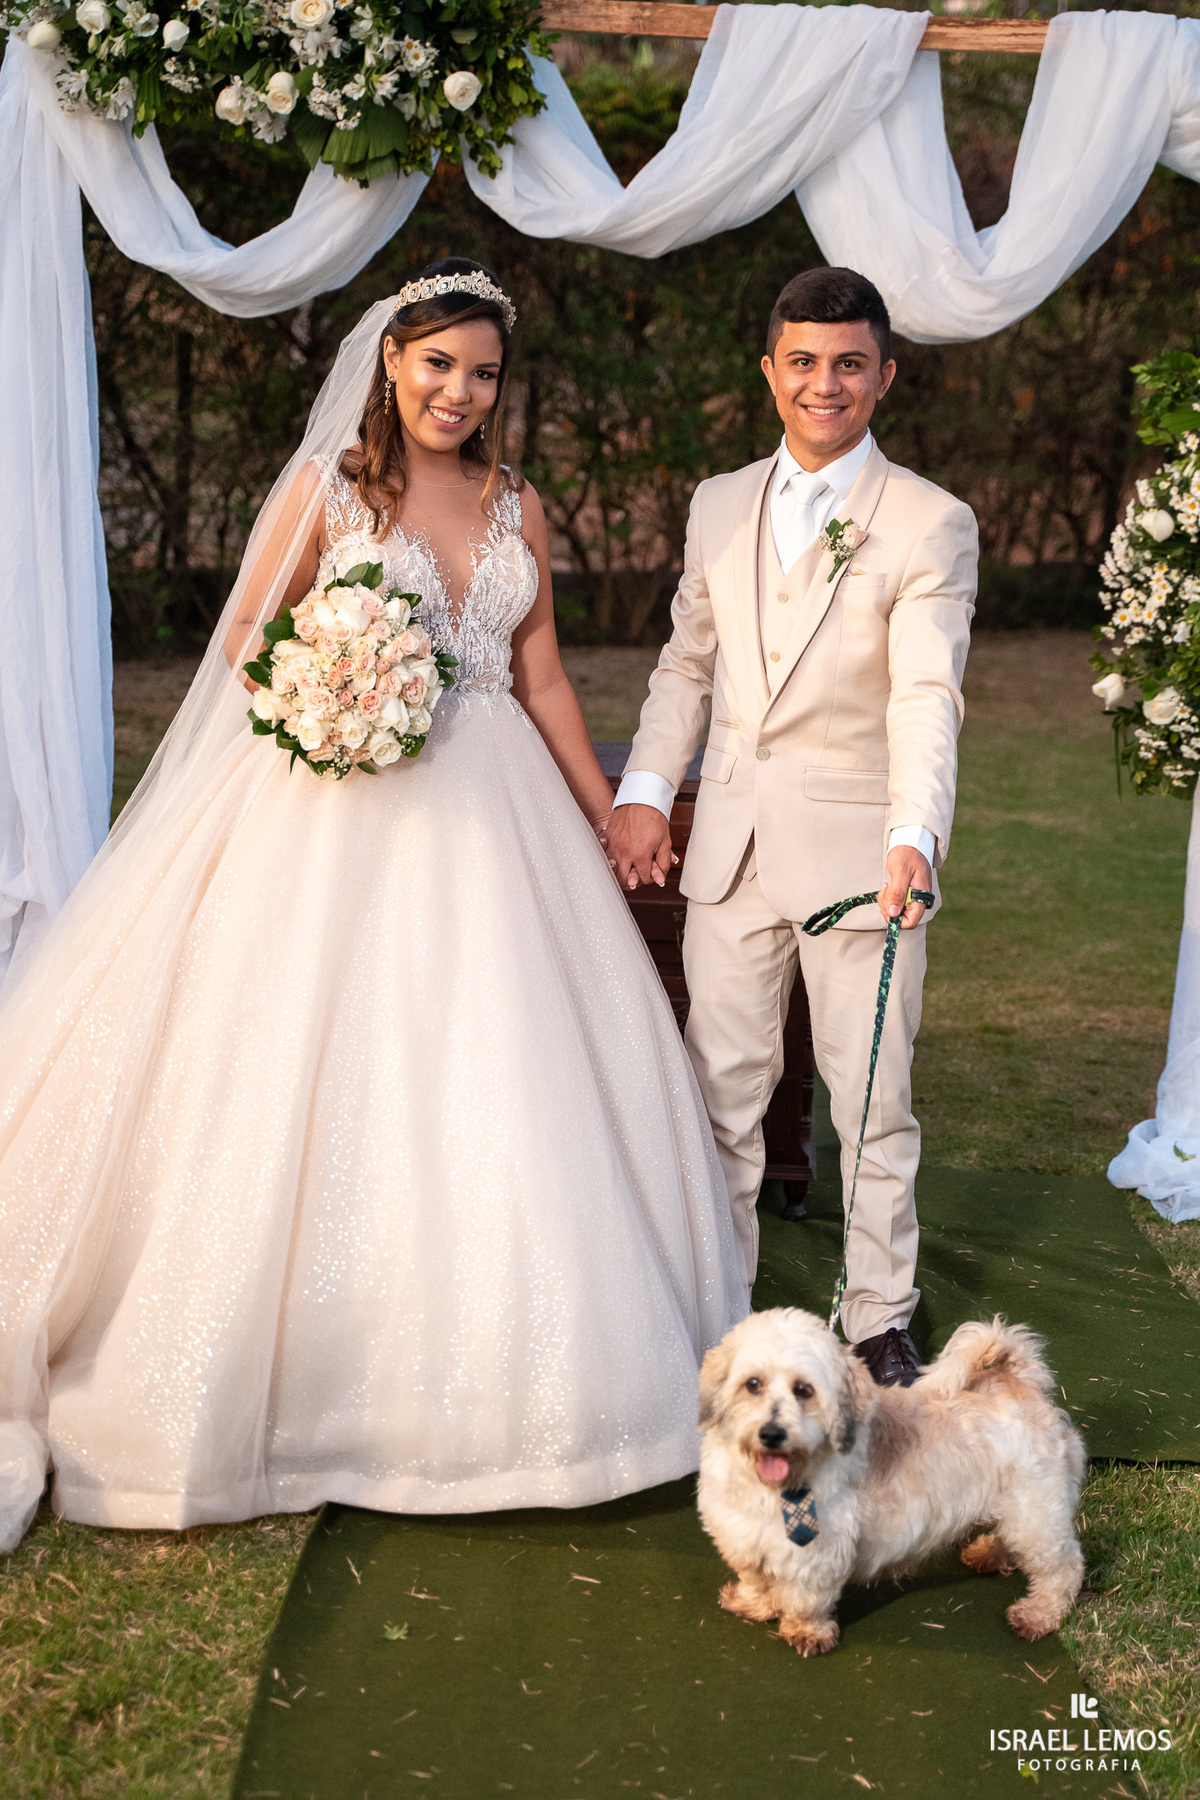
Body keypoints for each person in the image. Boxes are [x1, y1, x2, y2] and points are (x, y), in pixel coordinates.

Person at [0, 259, 747, 1553]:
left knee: (510, 1067)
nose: (458, 392)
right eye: (438, 364)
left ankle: (532, 1382)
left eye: (484, 373)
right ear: (391, 364)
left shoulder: (522, 504)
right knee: (314, 1059)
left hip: (501, 812)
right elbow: (247, 638)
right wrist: (341, 682)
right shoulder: (328, 492)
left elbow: (543, 674)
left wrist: (614, 809)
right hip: (343, 797)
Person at [605, 267, 977, 1389]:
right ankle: (719, 1298)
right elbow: (688, 664)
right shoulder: (718, 503)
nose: (826, 383)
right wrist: (643, 790)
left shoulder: (927, 521)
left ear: (885, 377)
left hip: (864, 858)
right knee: (718, 1082)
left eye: (849, 363)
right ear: (770, 370)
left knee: (871, 1099)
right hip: (727, 846)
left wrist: (915, 832)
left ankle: (878, 1317)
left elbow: (927, 697)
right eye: (804, 361)